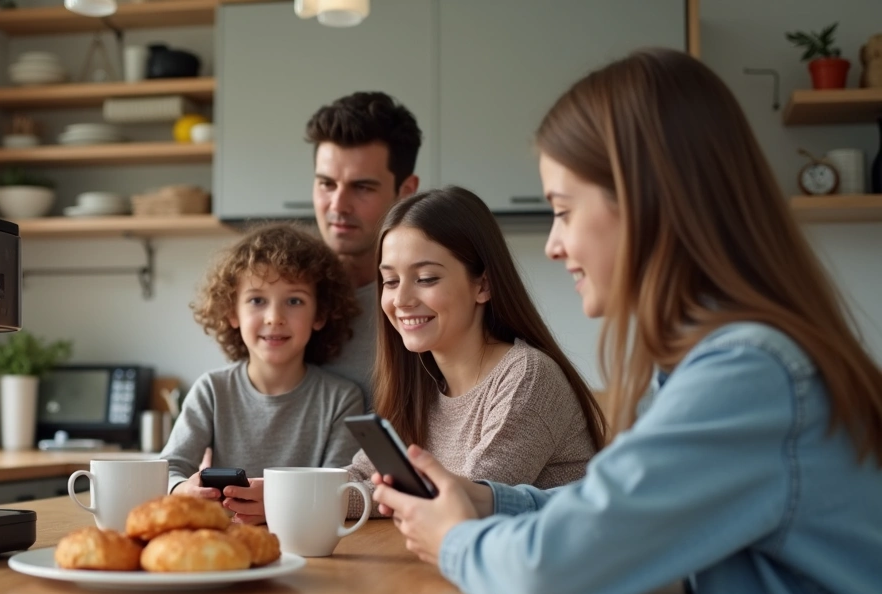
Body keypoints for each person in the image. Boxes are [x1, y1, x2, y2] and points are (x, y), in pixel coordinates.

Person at [372, 49, 882, 594]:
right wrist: (488, 500)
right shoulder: (708, 363)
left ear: (646, 201)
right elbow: (607, 511)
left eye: (563, 212)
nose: (553, 246)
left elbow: (562, 565)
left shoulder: (748, 374)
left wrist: (457, 541)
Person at [223, 187, 605, 523]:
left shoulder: (526, 377)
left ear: (483, 285)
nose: (401, 300)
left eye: (426, 278)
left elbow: (460, 504)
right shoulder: (420, 381)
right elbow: (363, 479)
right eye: (390, 280)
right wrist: (281, 495)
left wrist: (332, 499)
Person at [162, 223, 363, 503]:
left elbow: (336, 489)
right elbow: (169, 468)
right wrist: (183, 489)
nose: (274, 317)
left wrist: (275, 502)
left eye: (294, 301)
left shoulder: (342, 399)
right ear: (232, 312)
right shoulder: (212, 390)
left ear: (320, 314)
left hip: (305, 540)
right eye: (257, 300)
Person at [306, 91, 423, 408]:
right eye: (326, 184)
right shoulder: (283, 294)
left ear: (405, 191)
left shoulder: (422, 304)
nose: (338, 205)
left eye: (362, 187)